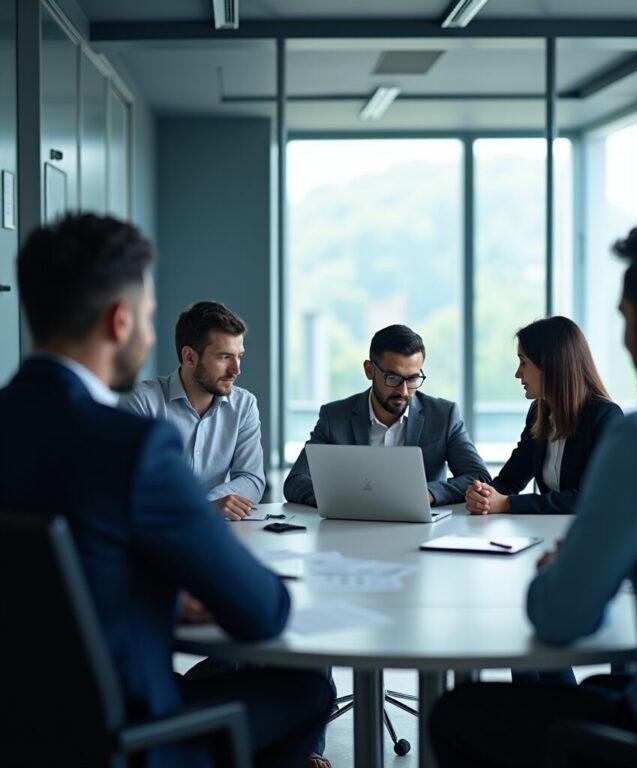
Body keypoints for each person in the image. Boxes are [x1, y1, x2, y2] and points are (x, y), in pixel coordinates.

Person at [430, 216, 637, 768]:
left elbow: (560, 619)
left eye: (625, 322)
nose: (626, 340)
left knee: (458, 713)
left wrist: (559, 572)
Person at [0, 214, 332, 768]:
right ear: (120, 321)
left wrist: (158, 592)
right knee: (307, 689)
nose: (152, 337)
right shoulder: (132, 444)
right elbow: (263, 612)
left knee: (222, 671)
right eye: (150, 320)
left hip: (22, 728)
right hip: (128, 735)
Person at [284, 324, 490, 507]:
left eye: (412, 379)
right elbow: (295, 482)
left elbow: (479, 477)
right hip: (350, 533)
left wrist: (427, 494)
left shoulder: (444, 416)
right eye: (393, 377)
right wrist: (343, 497)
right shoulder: (334, 417)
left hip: (422, 534)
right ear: (369, 370)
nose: (403, 390)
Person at [466, 316, 622, 516]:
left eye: (523, 363)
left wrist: (508, 504)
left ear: (550, 366)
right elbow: (509, 480)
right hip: (548, 531)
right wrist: (484, 495)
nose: (517, 374)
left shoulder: (605, 417)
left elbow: (591, 497)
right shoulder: (538, 413)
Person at [123, 300, 265, 520]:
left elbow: (251, 478)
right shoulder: (142, 402)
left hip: (213, 532)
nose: (236, 370)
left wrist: (207, 505)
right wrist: (204, 507)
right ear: (189, 356)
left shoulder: (244, 406)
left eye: (239, 356)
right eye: (224, 357)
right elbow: (131, 487)